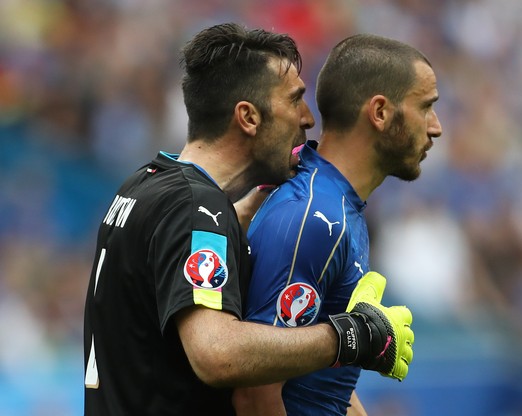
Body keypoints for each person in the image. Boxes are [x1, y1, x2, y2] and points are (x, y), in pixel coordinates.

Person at [83, 23, 414, 415]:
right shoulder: (196, 210)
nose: (307, 119)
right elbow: (216, 355)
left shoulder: (144, 185)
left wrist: (236, 221)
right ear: (249, 117)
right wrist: (348, 336)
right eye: (294, 100)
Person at [233, 34, 442, 415]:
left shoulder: (342, 208)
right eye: (425, 107)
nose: (436, 127)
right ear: (380, 112)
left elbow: (327, 388)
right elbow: (255, 393)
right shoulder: (313, 218)